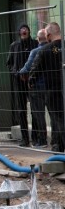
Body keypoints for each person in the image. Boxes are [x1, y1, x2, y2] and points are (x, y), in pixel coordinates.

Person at [30, 22, 64, 152]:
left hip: (53, 91)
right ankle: (59, 146)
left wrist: (31, 81)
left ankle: (59, 147)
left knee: (58, 120)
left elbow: (35, 70)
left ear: (49, 35)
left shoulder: (45, 50)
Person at [7, 24, 38, 147]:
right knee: (21, 111)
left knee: (35, 110)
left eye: (26, 29)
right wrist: (16, 73)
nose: (24, 31)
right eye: (22, 29)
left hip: (33, 81)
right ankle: (24, 138)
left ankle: (36, 137)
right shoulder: (14, 46)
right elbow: (9, 64)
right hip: (18, 82)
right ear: (19, 32)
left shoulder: (35, 44)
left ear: (29, 32)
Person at [19, 28, 48, 147]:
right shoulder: (56, 48)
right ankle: (58, 141)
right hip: (53, 87)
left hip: (37, 87)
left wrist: (21, 73)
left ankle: (42, 140)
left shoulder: (35, 51)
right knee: (55, 114)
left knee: (39, 114)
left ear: (37, 39)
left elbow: (25, 69)